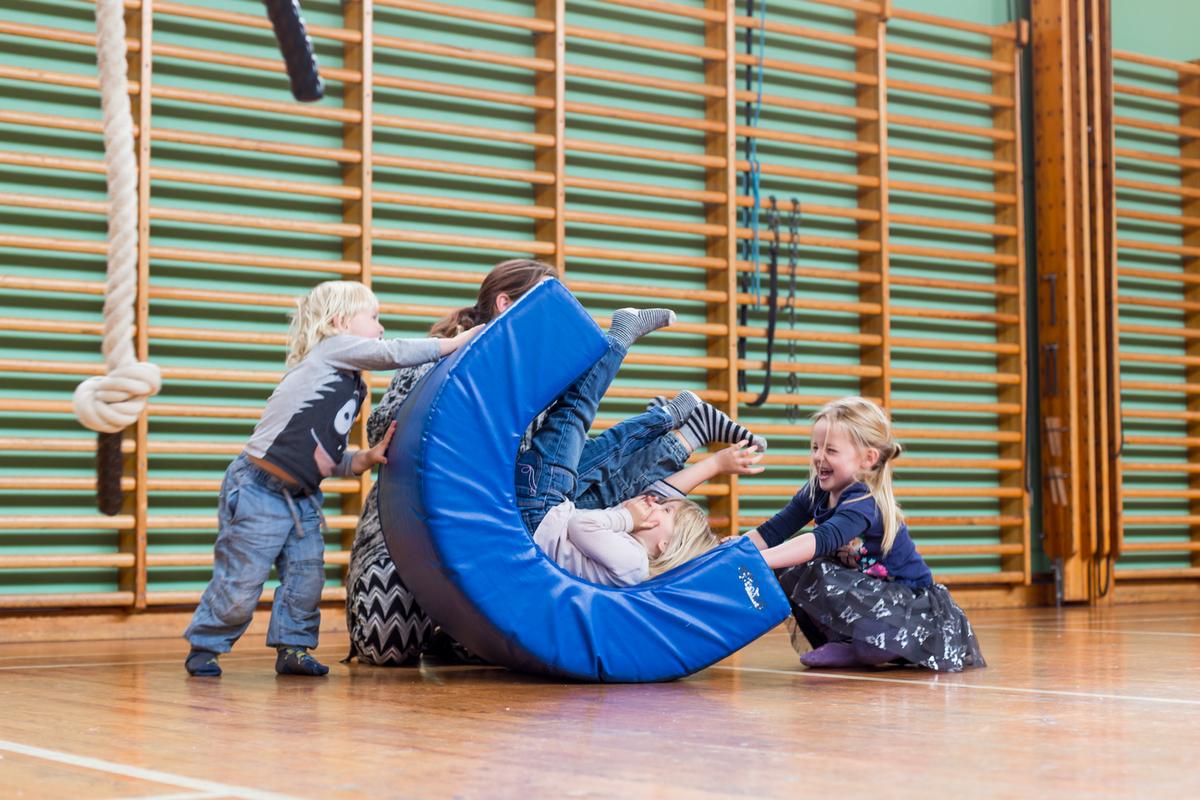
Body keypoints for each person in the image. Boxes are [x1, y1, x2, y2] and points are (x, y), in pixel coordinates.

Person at [183, 280, 479, 677]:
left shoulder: (351, 385)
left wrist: (363, 458)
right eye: (373, 317)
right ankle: (205, 646)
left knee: (306, 578)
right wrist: (451, 344)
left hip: (303, 496)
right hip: (258, 490)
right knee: (241, 583)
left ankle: (294, 648)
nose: (380, 327)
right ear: (340, 321)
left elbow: (324, 455)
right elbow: (390, 353)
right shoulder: (331, 350)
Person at [517, 307, 765, 586]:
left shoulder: (633, 563)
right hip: (545, 514)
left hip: (540, 511)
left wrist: (626, 516)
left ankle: (629, 348)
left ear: (665, 546)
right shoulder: (633, 557)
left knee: (575, 413)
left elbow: (579, 524)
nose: (656, 504)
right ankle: (686, 430)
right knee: (610, 472)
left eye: (666, 511)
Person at [745, 396, 985, 672]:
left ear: (868, 459)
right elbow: (772, 531)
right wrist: (735, 550)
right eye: (815, 447)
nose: (819, 457)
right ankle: (847, 643)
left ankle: (865, 648)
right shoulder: (816, 491)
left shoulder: (863, 501)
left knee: (807, 563)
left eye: (831, 450)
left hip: (910, 606)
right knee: (790, 566)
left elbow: (820, 539)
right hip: (868, 596)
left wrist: (757, 559)